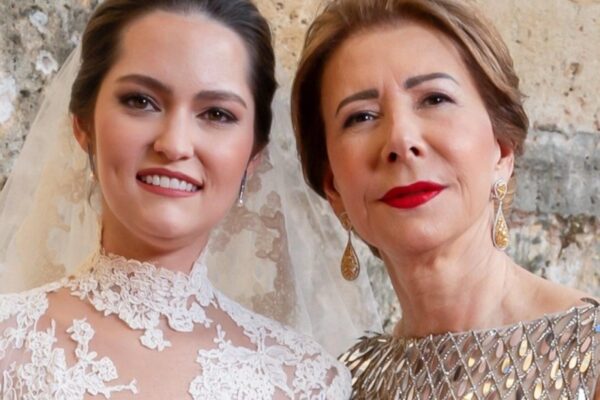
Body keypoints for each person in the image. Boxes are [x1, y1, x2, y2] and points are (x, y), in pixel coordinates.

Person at [0, 0, 353, 398]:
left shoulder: (306, 381)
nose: (174, 144)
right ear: (83, 126)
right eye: (140, 101)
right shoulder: (7, 344)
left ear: (253, 156)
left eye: (216, 114)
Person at [291, 0, 600, 398]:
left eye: (434, 99)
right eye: (361, 116)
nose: (400, 141)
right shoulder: (341, 384)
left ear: (502, 150)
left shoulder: (589, 355)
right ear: (333, 187)